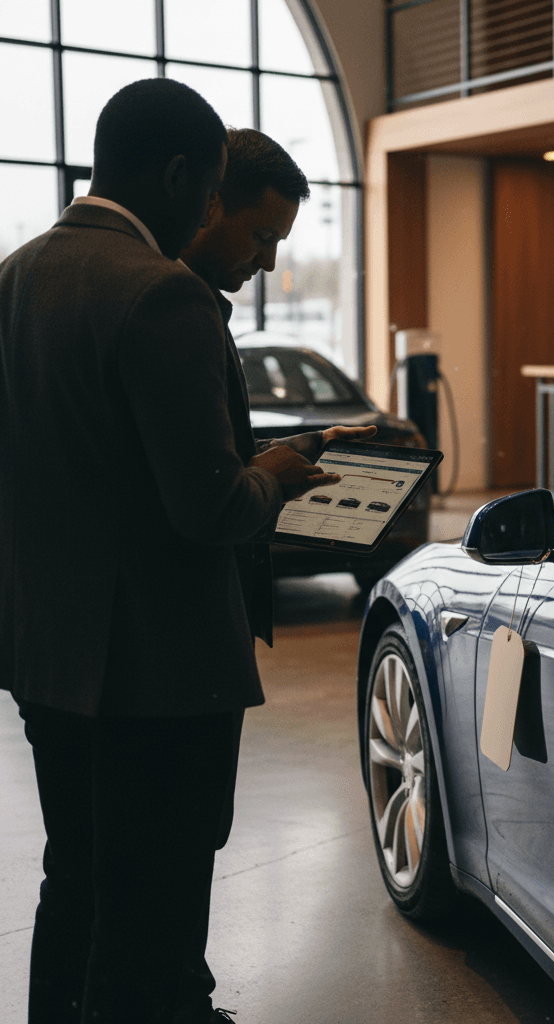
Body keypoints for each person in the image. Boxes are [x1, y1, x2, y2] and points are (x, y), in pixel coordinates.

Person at [0, 80, 367, 1024]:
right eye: (211, 197)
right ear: (178, 178)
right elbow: (209, 511)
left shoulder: (16, 275)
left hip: (50, 657)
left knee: (74, 878)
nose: (216, 219)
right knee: (150, 914)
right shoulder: (162, 292)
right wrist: (275, 474)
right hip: (156, 674)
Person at [179, 127, 370, 645]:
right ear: (212, 204)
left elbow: (195, 455)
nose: (267, 263)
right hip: (179, 635)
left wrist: (309, 446)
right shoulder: (174, 307)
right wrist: (270, 480)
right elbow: (206, 498)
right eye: (263, 238)